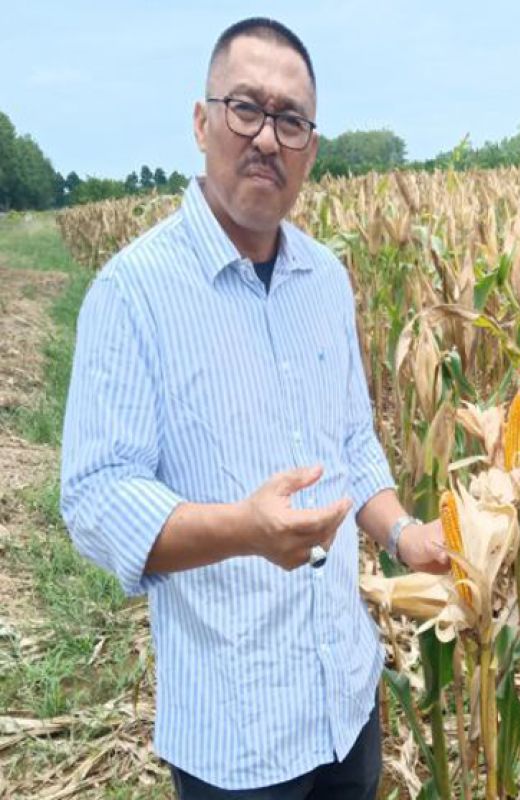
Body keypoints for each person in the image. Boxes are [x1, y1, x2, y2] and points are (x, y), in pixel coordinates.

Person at [59, 17, 448, 799]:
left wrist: (405, 536)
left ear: (310, 147)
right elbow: (96, 498)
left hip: (345, 699)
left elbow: (352, 440)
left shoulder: (327, 279)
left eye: (291, 120)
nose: (267, 137)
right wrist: (243, 531)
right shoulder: (133, 292)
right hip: (235, 733)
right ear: (202, 123)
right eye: (246, 108)